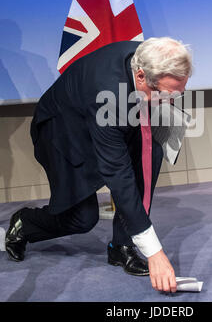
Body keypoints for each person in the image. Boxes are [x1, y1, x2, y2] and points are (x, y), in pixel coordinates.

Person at [5, 37, 192, 293]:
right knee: (82, 219)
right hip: (64, 133)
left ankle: (121, 247)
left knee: (151, 153)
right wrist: (155, 253)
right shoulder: (108, 93)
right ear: (140, 77)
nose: (171, 101)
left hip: (110, 119)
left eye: (177, 94)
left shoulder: (149, 57)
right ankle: (25, 223)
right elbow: (117, 173)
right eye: (166, 94)